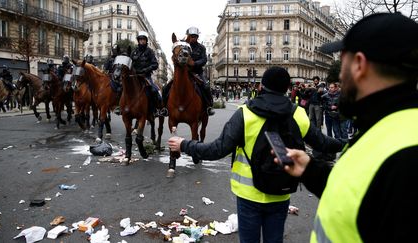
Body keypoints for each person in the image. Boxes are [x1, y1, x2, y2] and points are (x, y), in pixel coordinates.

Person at [278, 13, 418, 242]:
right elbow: (362, 197)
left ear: (359, 65)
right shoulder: (389, 125)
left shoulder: (407, 159)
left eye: (342, 62)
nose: (339, 75)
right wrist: (311, 170)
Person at [168, 66, 344, 243]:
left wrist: (184, 144)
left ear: (261, 87)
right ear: (287, 89)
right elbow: (324, 143)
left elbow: (217, 150)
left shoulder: (245, 114)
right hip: (281, 191)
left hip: (249, 194)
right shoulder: (298, 114)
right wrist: (350, 143)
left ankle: (163, 106)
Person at [162, 26, 215, 116]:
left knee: (206, 86)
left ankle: (209, 106)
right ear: (188, 36)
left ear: (197, 37)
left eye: (194, 36)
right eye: (191, 36)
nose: (193, 38)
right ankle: (164, 108)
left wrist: (194, 63)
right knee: (166, 87)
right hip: (185, 72)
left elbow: (204, 59)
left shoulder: (201, 47)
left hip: (197, 72)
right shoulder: (184, 46)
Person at [130, 31, 162, 117]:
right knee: (123, 87)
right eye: (140, 39)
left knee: (154, 90)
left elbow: (155, 64)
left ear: (146, 41)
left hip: (146, 76)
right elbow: (130, 62)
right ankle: (120, 107)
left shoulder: (150, 51)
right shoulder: (134, 52)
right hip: (134, 76)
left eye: (143, 39)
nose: (142, 41)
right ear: (138, 40)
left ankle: (156, 109)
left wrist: (146, 69)